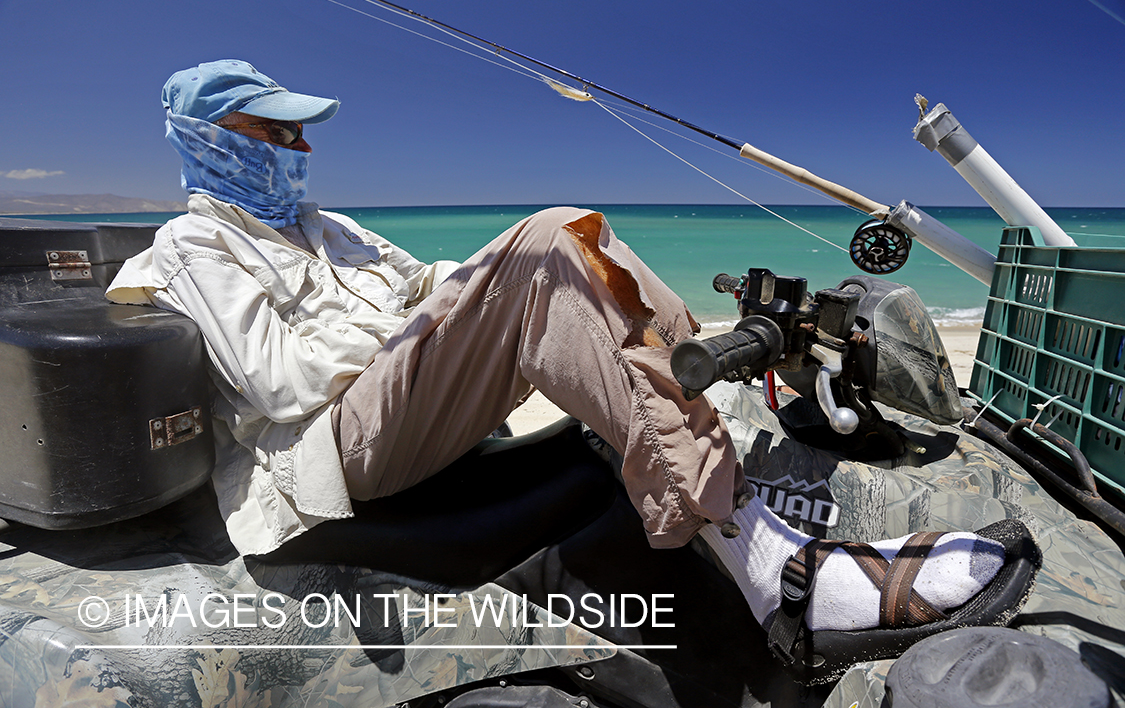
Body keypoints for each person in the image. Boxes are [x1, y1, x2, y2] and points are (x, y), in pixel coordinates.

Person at [107, 60, 1036, 670]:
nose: (299, 149)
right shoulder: (190, 247)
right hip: (325, 456)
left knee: (574, 249)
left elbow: (427, 277)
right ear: (210, 138)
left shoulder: (328, 229)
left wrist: (449, 297)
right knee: (548, 239)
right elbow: (282, 382)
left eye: (299, 134)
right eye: (276, 133)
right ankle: (780, 582)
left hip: (394, 400)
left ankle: (737, 493)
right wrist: (426, 318)